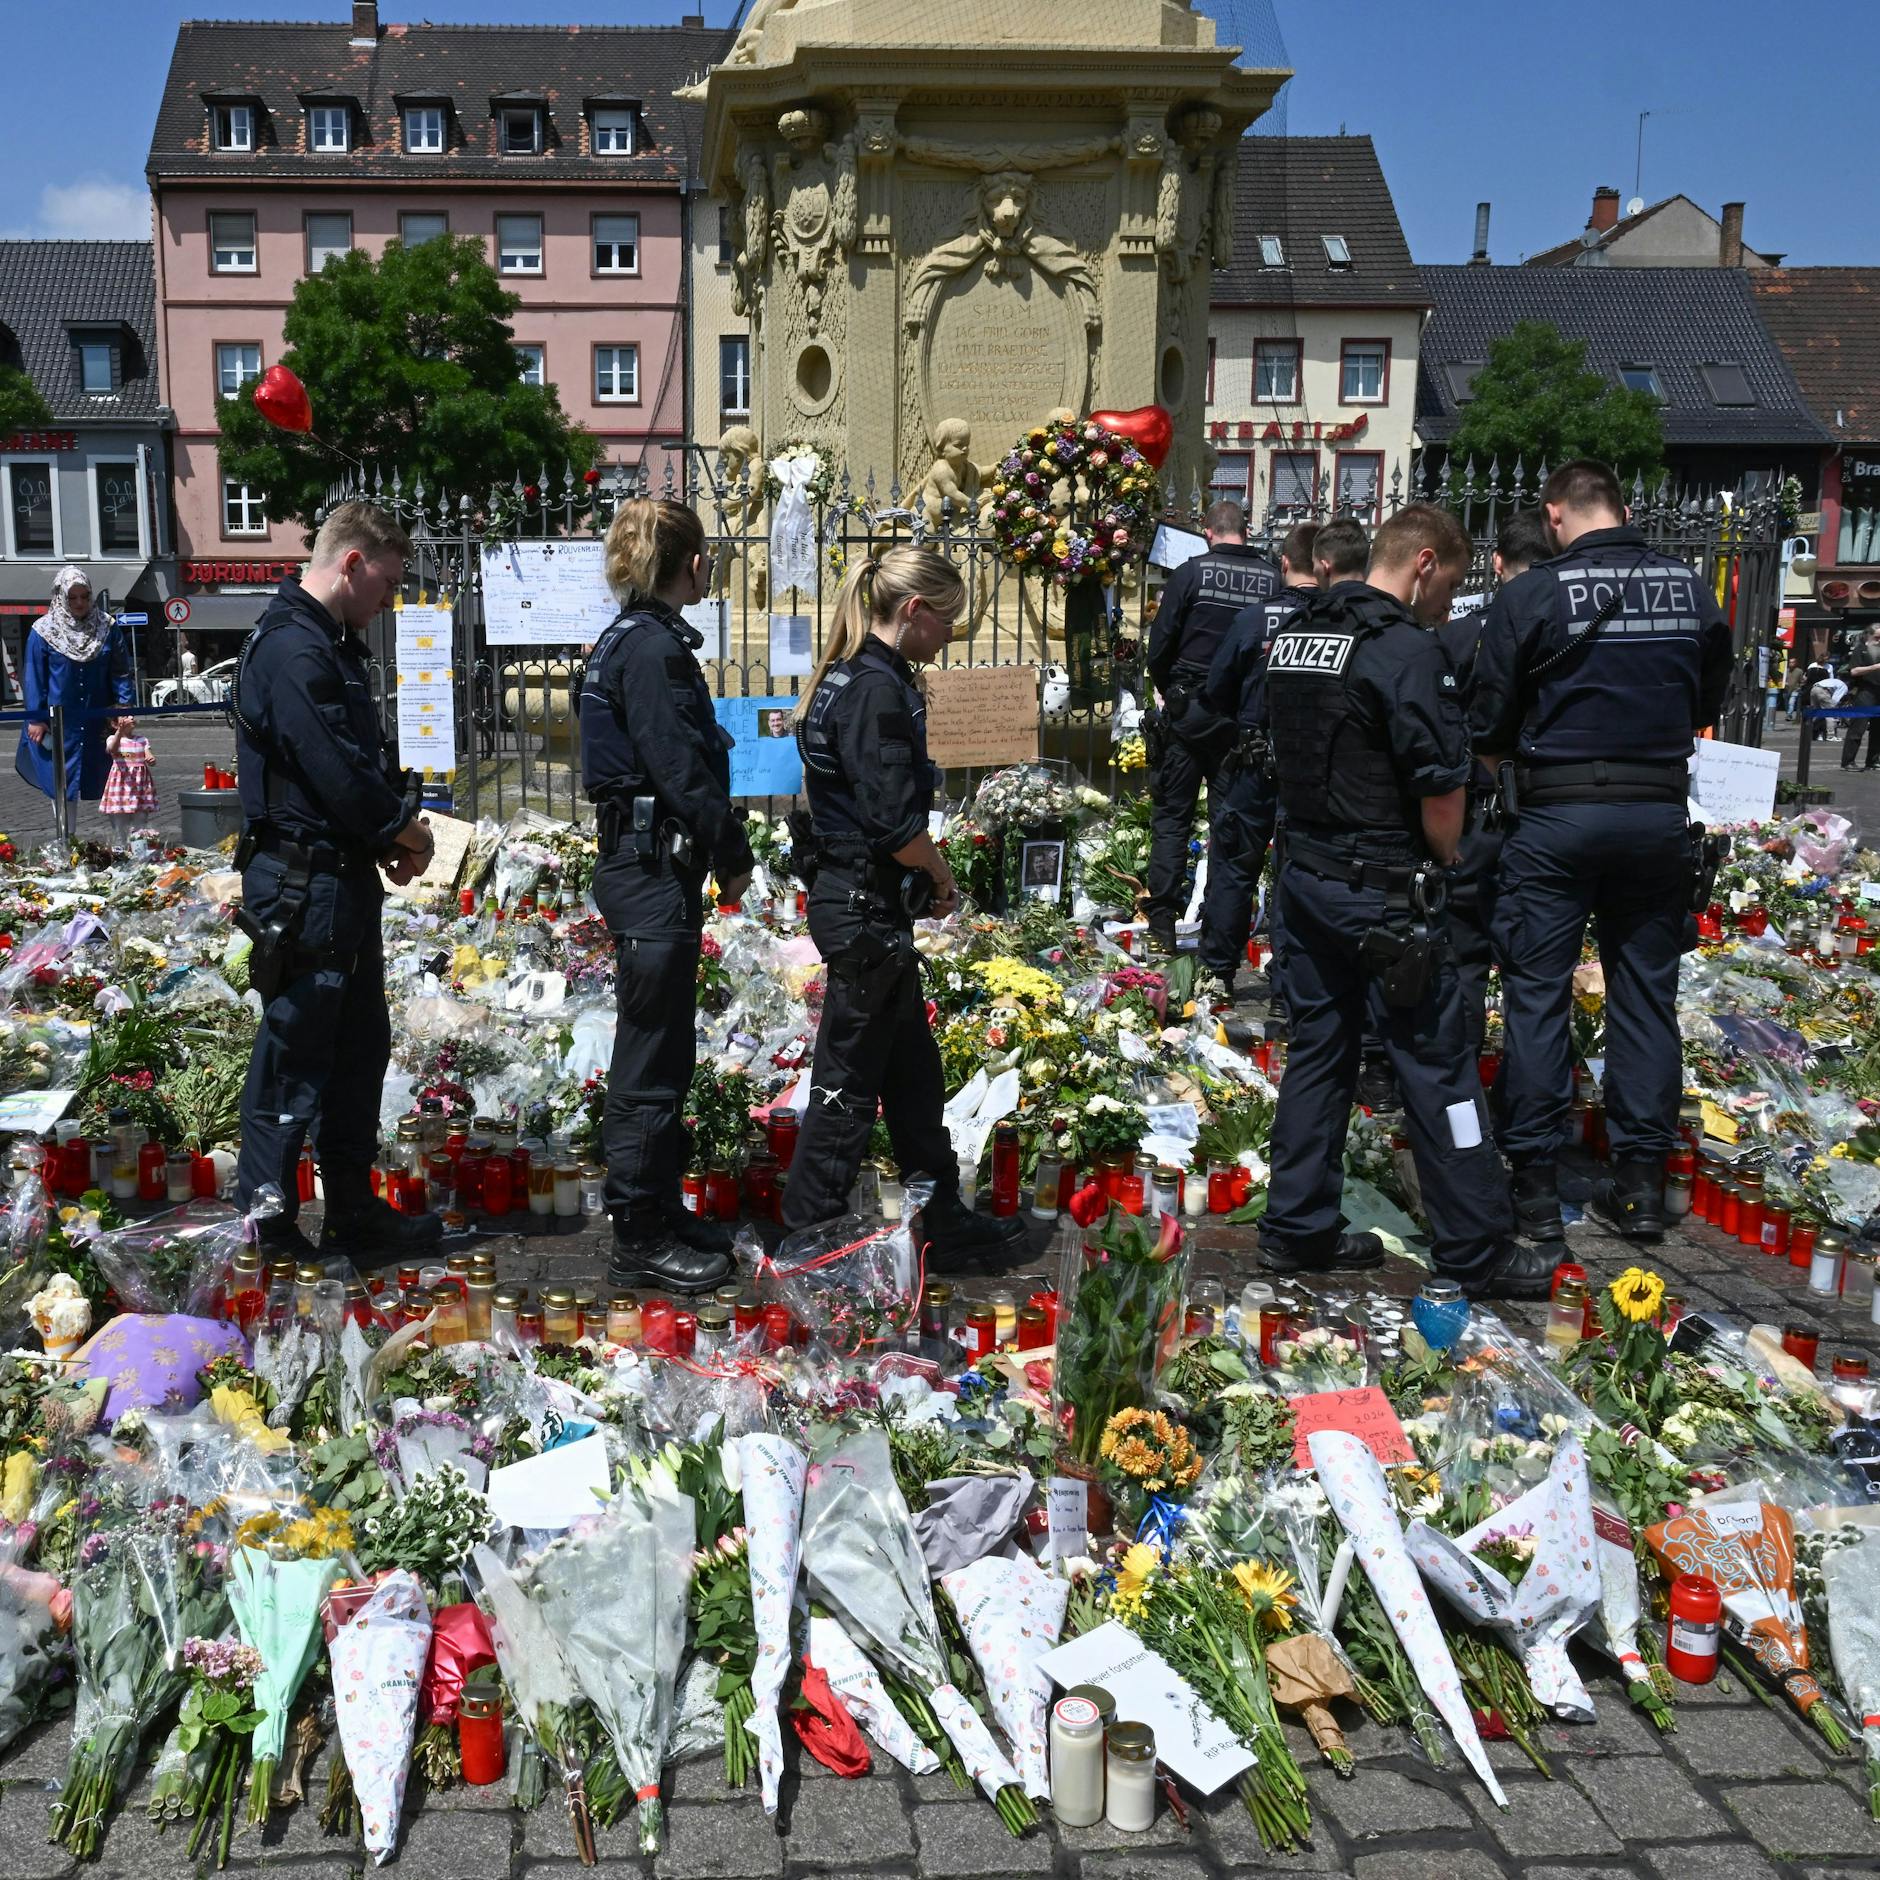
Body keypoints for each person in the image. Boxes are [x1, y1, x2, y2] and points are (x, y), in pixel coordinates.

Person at [1259, 503, 1534, 1299]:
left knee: (1319, 1051)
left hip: (1305, 880)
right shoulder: (1408, 652)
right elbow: (1442, 798)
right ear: (1421, 564)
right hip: (1385, 894)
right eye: (1447, 585)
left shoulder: (1296, 637)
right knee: (1438, 1063)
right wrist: (1452, 862)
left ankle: (1295, 1226)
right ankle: (1477, 1247)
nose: (1448, 604)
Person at [1471, 460, 1733, 1244]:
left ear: (1555, 516)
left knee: (1539, 996)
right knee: (1645, 998)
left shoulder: (1532, 593)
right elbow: (1708, 699)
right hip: (1656, 815)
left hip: (1556, 818)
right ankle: (1643, 1186)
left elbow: (1488, 720)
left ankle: (1537, 1188)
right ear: (1621, 508)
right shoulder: (1688, 587)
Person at [783, 545, 1024, 1270]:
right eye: (946, 620)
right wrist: (943, 875)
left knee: (912, 1074)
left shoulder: (851, 676)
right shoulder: (875, 690)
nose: (950, 635)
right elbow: (895, 826)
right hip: (864, 903)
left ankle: (940, 1212)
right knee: (847, 1084)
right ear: (913, 611)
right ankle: (811, 1236)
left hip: (861, 901)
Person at [232, 504, 441, 1265]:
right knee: (294, 1057)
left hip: (335, 881)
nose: (390, 600)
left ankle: (351, 1210)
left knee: (357, 1053)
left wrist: (387, 831)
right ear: (351, 565)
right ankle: (269, 1226)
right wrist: (403, 831)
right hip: (302, 885)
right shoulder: (295, 652)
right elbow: (336, 773)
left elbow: (357, 764)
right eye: (386, 583)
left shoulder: (329, 645)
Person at [579, 498, 754, 1294]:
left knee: (664, 1048)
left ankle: (657, 1203)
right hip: (652, 871)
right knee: (650, 1057)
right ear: (690, 565)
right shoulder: (650, 651)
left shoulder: (631, 639)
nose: (709, 570)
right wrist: (735, 855)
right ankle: (638, 1233)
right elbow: (682, 768)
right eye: (706, 558)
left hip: (649, 867)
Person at [1438, 507, 1551, 1060]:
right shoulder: (1567, 627)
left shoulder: (1460, 634)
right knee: (1536, 958)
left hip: (1475, 803)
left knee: (1465, 947)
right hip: (1548, 803)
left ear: (1498, 562)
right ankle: (1529, 1075)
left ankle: (1461, 1068)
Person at [1143, 500, 1280, 953]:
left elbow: (1160, 644)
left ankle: (1162, 920)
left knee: (1172, 818)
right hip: (1240, 719)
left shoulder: (1190, 572)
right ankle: (1221, 930)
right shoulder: (1270, 578)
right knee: (1229, 824)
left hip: (1189, 713)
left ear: (1208, 531)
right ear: (1245, 529)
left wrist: (1172, 693)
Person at [1194, 520, 1322, 1005]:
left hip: (1251, 763)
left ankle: (1217, 971)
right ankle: (1289, 986)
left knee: (1233, 866)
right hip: (1310, 772)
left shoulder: (1254, 619)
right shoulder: (1333, 622)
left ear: (1284, 564)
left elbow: (1215, 691)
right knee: (1299, 870)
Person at [15, 567, 135, 813]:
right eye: (72, 597)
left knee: (114, 781)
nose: (79, 602)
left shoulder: (107, 627)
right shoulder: (43, 630)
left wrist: (124, 705)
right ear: (60, 597)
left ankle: (118, 845)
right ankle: (66, 842)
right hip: (59, 722)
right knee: (61, 780)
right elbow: (34, 676)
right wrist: (36, 718)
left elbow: (120, 670)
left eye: (84, 596)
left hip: (98, 720)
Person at [100, 719, 158, 847]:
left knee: (141, 817)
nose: (131, 717)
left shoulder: (142, 739)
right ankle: (122, 847)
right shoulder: (112, 738)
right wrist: (119, 731)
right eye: (126, 715)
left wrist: (151, 759)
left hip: (140, 786)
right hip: (121, 785)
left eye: (132, 715)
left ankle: (140, 847)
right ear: (114, 724)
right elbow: (112, 749)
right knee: (120, 819)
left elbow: (148, 755)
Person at [1840, 623, 1880, 770]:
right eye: (1877, 638)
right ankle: (1848, 761)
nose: (1879, 641)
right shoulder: (1860, 650)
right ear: (1868, 636)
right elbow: (1854, 671)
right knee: (1858, 727)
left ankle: (1873, 761)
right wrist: (1874, 667)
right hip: (1865, 692)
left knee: (1878, 730)